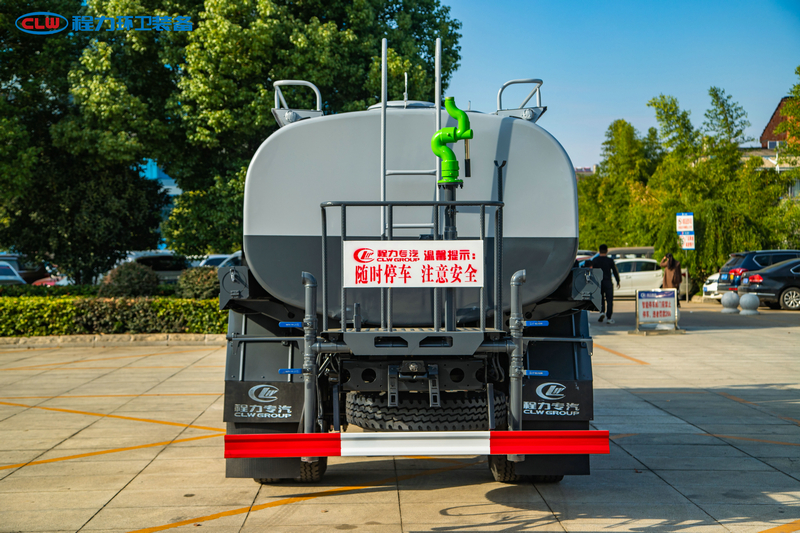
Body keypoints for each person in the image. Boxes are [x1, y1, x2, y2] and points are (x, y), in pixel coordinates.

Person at [591, 244, 620, 324]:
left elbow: (592, 271)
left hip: (598, 282)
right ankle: (609, 318)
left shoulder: (595, 260)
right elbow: (615, 271)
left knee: (601, 299)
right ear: (607, 251)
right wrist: (618, 281)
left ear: (599, 251)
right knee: (609, 300)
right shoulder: (610, 260)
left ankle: (602, 312)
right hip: (608, 282)